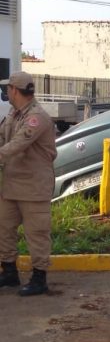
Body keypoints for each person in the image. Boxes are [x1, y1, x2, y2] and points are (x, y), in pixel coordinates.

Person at [0, 71, 57, 296]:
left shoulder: (37, 117)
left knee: (37, 233)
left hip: (34, 186)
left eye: (8, 88)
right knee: (4, 228)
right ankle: (9, 272)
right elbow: (2, 138)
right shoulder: (13, 114)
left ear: (15, 90)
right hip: (12, 185)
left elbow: (17, 144)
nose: (6, 91)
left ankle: (39, 278)